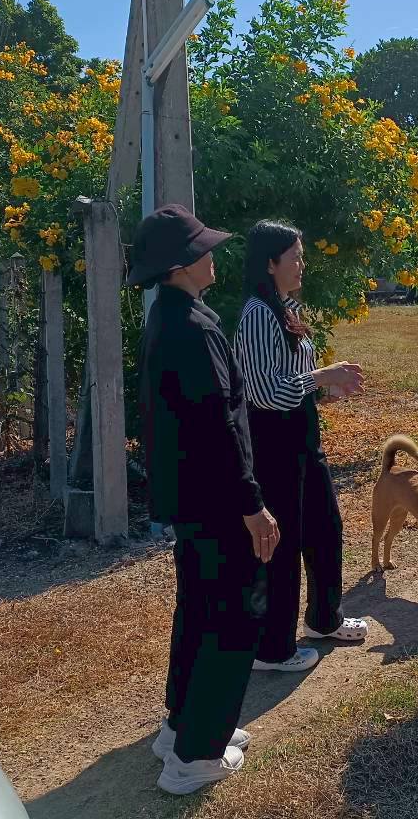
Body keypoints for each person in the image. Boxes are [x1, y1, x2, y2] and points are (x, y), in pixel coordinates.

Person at [133, 204, 281, 796]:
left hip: (192, 498)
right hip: (219, 500)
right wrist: (252, 504)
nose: (214, 256)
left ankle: (183, 725)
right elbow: (219, 424)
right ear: (181, 264)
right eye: (203, 249)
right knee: (231, 616)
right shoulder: (192, 328)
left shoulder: (170, 316)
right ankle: (196, 756)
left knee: (197, 608)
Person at [233, 221, 369, 673]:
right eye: (295, 257)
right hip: (273, 443)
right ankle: (271, 648)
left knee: (325, 527)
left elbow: (292, 382)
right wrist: (323, 376)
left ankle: (324, 619)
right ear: (270, 264)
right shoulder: (258, 314)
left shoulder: (285, 309)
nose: (302, 264)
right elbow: (265, 392)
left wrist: (327, 386)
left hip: (301, 437)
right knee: (283, 542)